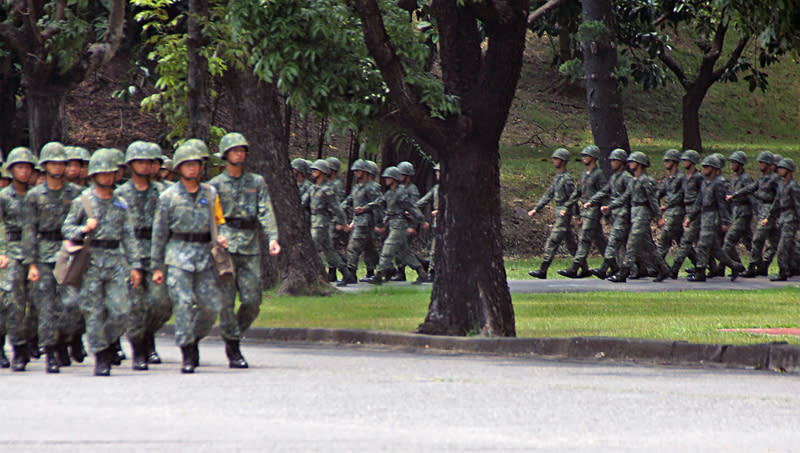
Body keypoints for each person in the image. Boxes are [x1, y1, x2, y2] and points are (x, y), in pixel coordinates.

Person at [63, 148, 140, 376]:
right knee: (93, 310)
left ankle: (102, 342)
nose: (107, 177)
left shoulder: (121, 203)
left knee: (122, 310)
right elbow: (66, 228)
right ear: (94, 175)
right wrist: (83, 229)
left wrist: (135, 265)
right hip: (91, 259)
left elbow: (129, 235)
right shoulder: (83, 201)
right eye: (103, 173)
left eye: (111, 173)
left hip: (115, 259)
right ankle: (100, 355)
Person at [151, 139, 225, 373]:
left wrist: (222, 237)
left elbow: (219, 222)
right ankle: (187, 352)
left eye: (196, 164)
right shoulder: (168, 197)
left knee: (211, 306)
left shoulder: (211, 193)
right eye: (187, 165)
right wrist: (157, 266)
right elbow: (159, 233)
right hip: (177, 255)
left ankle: (193, 338)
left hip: (204, 255)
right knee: (182, 304)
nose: (193, 168)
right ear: (179, 168)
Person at [209, 132, 281, 368]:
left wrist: (273, 237)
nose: (239, 154)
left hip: (250, 245)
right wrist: (217, 237)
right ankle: (233, 347)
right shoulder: (215, 186)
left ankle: (234, 334)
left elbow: (265, 210)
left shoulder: (256, 182)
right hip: (225, 247)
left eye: (242, 150)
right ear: (225, 155)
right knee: (227, 301)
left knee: (252, 300)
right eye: (234, 150)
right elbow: (210, 217)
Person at [22, 142, 86, 373]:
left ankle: (63, 340)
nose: (58, 167)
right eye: (53, 163)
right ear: (45, 166)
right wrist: (30, 263)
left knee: (72, 304)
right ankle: (49, 351)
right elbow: (28, 230)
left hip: (69, 253)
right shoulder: (34, 196)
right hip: (43, 254)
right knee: (46, 306)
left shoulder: (76, 194)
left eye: (62, 163)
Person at [114, 141, 171, 370]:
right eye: (140, 162)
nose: (145, 166)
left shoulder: (163, 193)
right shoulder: (120, 194)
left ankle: (148, 337)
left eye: (149, 162)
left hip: (157, 252)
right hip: (131, 253)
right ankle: (139, 349)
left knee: (161, 303)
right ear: (130, 164)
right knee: (136, 305)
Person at [607, 152, 671, 282]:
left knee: (631, 245)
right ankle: (664, 269)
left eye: (632, 162)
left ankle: (623, 273)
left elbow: (653, 200)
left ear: (640, 164)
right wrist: (610, 206)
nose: (630, 164)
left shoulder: (646, 180)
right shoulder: (633, 180)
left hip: (642, 213)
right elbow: (625, 197)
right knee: (649, 246)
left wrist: (658, 217)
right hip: (634, 212)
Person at [358, 167, 428, 284]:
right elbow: (379, 203)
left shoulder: (401, 193)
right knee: (405, 253)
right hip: (392, 224)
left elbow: (412, 208)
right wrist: (364, 209)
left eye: (388, 178)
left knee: (387, 248)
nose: (386, 180)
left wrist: (421, 221)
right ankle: (422, 273)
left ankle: (379, 275)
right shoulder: (389, 193)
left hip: (399, 225)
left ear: (395, 179)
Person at [0, 147, 37, 371]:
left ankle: (26, 343)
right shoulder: (4, 196)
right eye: (19, 167)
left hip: (33, 251)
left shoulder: (36, 195)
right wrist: (2, 251)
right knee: (12, 302)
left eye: (27, 167)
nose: (23, 172)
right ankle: (14, 347)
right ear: (12, 170)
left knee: (33, 303)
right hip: (10, 251)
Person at [684, 155, 745, 282]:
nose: (704, 169)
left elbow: (722, 204)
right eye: (703, 167)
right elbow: (699, 201)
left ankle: (700, 272)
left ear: (714, 168)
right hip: (705, 216)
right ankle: (735, 266)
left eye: (707, 167)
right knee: (715, 249)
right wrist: (690, 217)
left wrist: (724, 221)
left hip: (713, 217)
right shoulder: (705, 183)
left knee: (702, 245)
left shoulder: (719, 183)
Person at [527, 148, 577, 279]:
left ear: (563, 161)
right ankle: (583, 267)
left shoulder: (567, 179)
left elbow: (573, 198)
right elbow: (548, 194)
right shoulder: (557, 178)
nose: (554, 161)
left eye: (556, 159)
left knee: (553, 240)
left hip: (564, 213)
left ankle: (543, 269)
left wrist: (576, 214)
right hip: (559, 211)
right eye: (554, 159)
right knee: (571, 242)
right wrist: (536, 209)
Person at [559, 145, 607, 278]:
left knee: (585, 238)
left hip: (594, 210)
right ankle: (613, 266)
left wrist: (595, 202)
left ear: (593, 158)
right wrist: (567, 205)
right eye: (583, 156)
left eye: (586, 156)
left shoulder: (598, 174)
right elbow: (577, 192)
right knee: (599, 240)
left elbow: (604, 191)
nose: (583, 158)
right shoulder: (583, 175)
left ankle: (574, 268)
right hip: (585, 210)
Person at [307, 159, 355, 286]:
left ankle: (317, 275)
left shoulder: (327, 190)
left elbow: (337, 208)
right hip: (314, 221)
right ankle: (346, 274)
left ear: (322, 172)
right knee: (330, 252)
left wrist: (343, 223)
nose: (312, 172)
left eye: (315, 170)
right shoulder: (312, 188)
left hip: (322, 223)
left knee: (312, 249)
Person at [587, 148, 633, 279]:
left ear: (622, 162)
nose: (612, 163)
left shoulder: (626, 178)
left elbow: (627, 196)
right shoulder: (614, 178)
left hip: (624, 214)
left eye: (615, 160)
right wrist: (592, 201)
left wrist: (610, 206)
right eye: (611, 160)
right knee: (623, 244)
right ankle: (633, 269)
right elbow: (604, 191)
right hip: (616, 214)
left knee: (613, 242)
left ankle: (604, 269)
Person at [733, 151, 780, 277]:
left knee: (758, 240)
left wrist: (770, 215)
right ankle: (763, 266)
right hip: (762, 209)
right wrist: (735, 195)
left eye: (762, 162)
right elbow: (750, 188)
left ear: (769, 164)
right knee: (774, 241)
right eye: (759, 162)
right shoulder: (762, 178)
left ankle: (752, 267)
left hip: (769, 211)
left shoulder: (775, 179)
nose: (759, 164)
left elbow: (779, 197)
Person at [341, 159, 382, 281]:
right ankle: (373, 271)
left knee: (353, 247)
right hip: (359, 221)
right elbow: (348, 201)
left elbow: (379, 202)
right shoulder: (356, 188)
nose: (355, 173)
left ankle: (351, 273)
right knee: (369, 248)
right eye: (355, 170)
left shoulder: (372, 187)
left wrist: (365, 209)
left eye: (358, 170)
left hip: (367, 222)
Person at [763, 158, 800, 281]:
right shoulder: (781, 185)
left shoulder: (793, 186)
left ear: (789, 170)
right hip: (782, 218)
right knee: (790, 246)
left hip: (791, 219)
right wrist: (768, 217)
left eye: (782, 168)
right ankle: (793, 268)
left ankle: (783, 271)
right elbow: (776, 203)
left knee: (783, 246)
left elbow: (798, 205)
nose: (778, 170)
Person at [668, 150, 703, 279]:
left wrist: (691, 216)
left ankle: (675, 269)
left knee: (686, 241)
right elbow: (681, 195)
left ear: (693, 162)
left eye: (686, 160)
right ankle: (711, 267)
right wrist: (668, 205)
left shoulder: (698, 177)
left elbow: (701, 197)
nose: (683, 162)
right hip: (687, 210)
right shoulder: (684, 178)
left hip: (696, 212)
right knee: (704, 243)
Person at [721, 151, 755, 273]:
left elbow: (751, 196)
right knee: (749, 241)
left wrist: (757, 212)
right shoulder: (734, 179)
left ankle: (736, 266)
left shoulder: (746, 179)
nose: (732, 165)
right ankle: (759, 265)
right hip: (736, 212)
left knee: (729, 241)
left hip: (744, 212)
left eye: (734, 163)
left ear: (740, 164)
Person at [656, 149, 686, 260]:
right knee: (681, 241)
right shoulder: (668, 179)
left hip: (677, 212)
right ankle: (699, 264)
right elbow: (659, 193)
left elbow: (680, 195)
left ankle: (657, 266)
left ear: (675, 162)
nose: (665, 163)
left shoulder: (681, 178)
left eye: (668, 161)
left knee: (664, 238)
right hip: (670, 212)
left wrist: (666, 206)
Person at [416, 163, 440, 279]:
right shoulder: (436, 189)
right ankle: (432, 271)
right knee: (434, 249)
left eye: (439, 171)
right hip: (438, 224)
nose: (437, 174)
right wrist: (411, 208)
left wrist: (441, 211)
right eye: (436, 172)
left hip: (449, 225)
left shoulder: (452, 188)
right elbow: (423, 201)